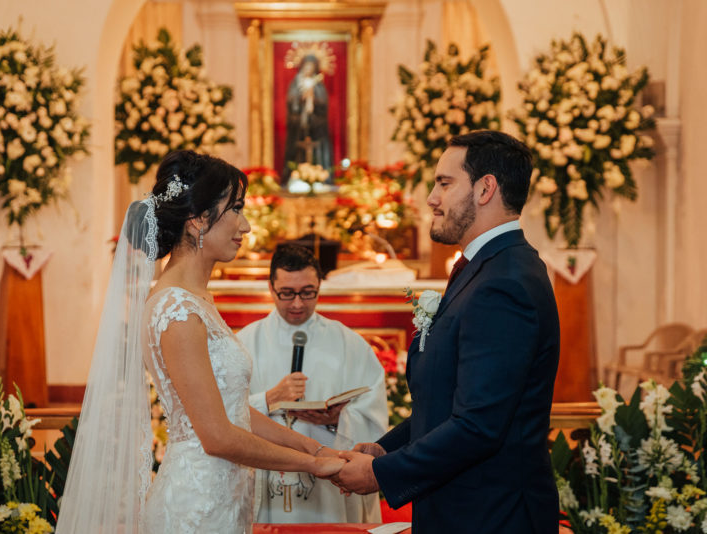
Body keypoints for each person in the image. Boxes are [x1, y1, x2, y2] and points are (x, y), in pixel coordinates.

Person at [56, 150, 346, 533]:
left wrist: (317, 448)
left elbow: (234, 413)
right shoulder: (177, 308)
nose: (245, 226)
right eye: (236, 210)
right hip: (196, 507)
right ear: (197, 221)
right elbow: (217, 436)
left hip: (222, 497)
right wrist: (312, 465)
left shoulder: (195, 300)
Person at [333, 130, 561, 534]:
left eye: (444, 183)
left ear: (485, 188)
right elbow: (447, 398)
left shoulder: (504, 282)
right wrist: (385, 448)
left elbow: (479, 426)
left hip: (491, 516)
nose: (431, 198)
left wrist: (380, 474)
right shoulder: (484, 267)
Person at [237, 244, 387, 523]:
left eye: (308, 293)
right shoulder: (245, 343)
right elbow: (221, 414)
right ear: (271, 288)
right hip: (265, 476)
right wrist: (267, 400)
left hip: (330, 488)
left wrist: (335, 421)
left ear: (319, 286)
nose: (297, 303)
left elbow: (374, 414)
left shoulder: (348, 344)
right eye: (287, 293)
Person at [282, 54, 333, 177]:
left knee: (317, 151)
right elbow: (291, 101)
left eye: (311, 66)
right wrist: (301, 98)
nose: (308, 69)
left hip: (316, 124)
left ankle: (319, 175)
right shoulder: (296, 83)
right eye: (306, 66)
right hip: (298, 124)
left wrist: (313, 97)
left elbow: (323, 103)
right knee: (297, 150)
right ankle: (295, 175)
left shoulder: (318, 84)